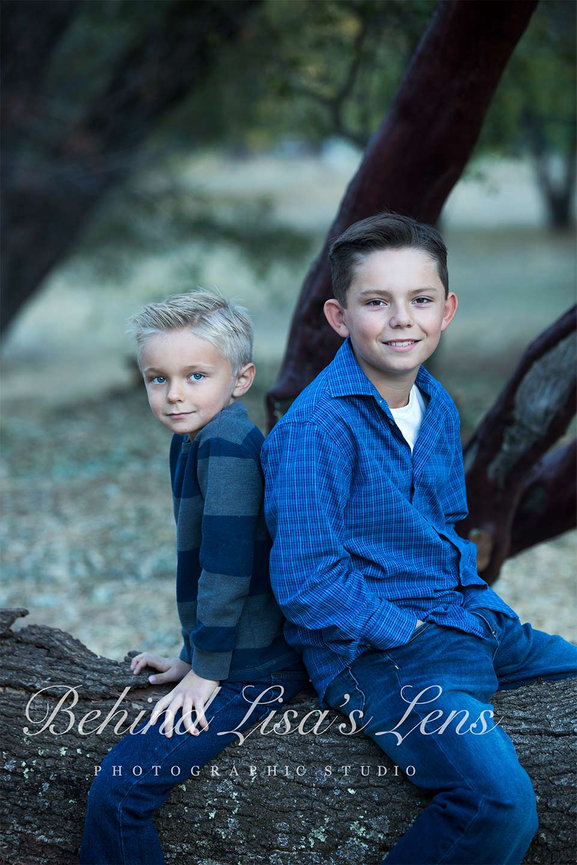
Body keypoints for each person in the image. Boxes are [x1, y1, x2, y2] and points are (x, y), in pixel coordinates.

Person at [261, 213, 577, 865]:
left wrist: (479, 610)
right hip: (380, 652)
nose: (402, 319)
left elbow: (442, 531)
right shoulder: (315, 429)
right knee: (494, 806)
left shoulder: (436, 405)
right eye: (376, 301)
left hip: (466, 619)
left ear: (447, 310)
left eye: (421, 299)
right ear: (339, 316)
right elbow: (307, 581)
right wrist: (406, 632)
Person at [80, 290, 305, 864]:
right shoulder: (193, 439)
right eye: (158, 379)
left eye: (196, 375)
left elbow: (227, 569)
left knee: (121, 791)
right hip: (233, 658)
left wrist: (207, 671)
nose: (174, 393)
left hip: (255, 671)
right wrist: (191, 657)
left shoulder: (227, 445)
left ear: (241, 379)